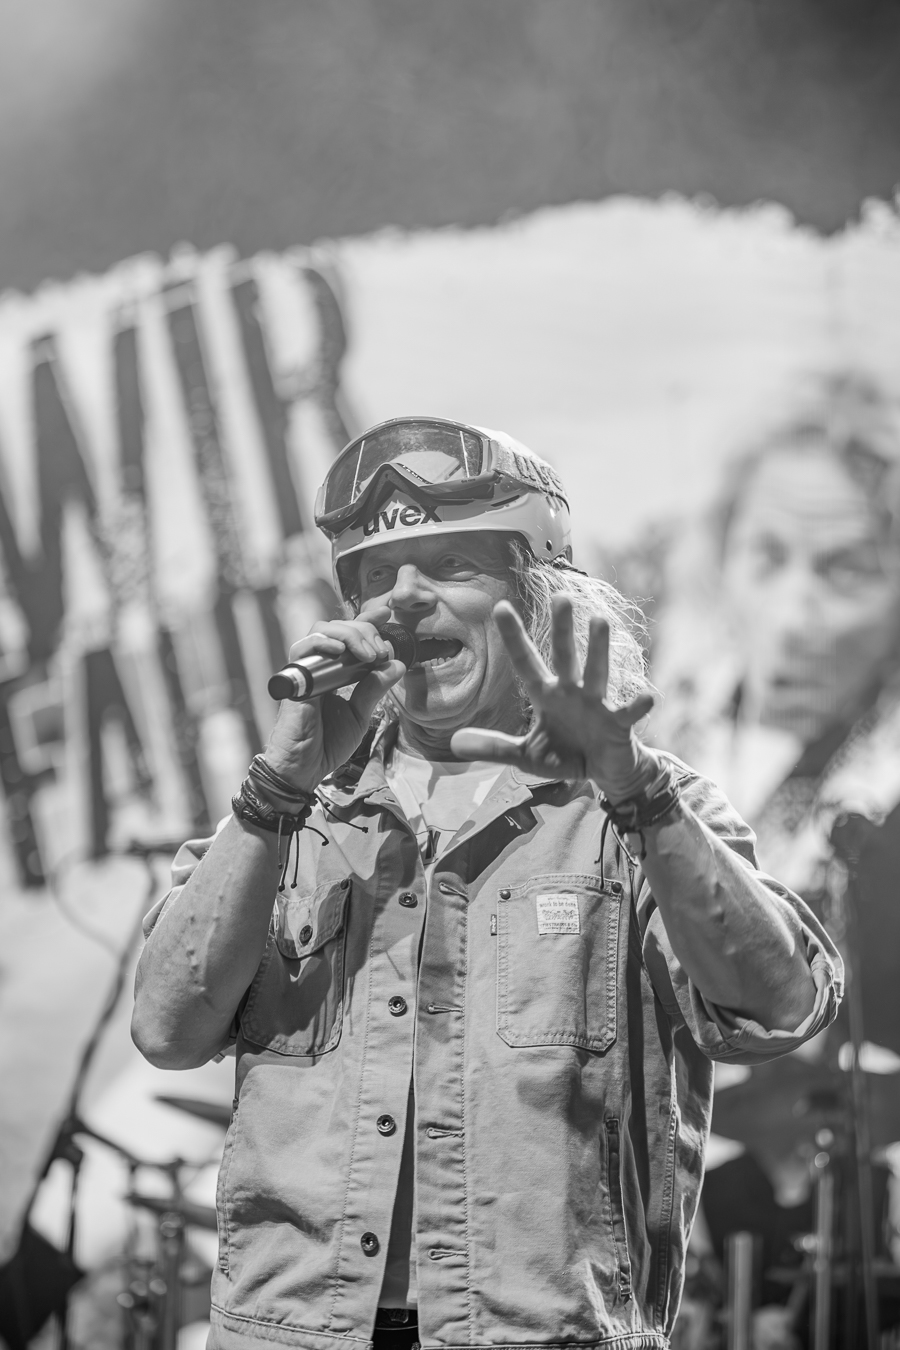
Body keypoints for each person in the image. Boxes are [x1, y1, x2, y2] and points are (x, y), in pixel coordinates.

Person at [132, 416, 840, 1350]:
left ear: (537, 593)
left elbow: (780, 1009)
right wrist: (276, 793)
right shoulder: (291, 817)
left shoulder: (636, 808)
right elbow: (167, 1030)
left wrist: (636, 792)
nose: (403, 599)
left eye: (451, 564)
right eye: (376, 575)